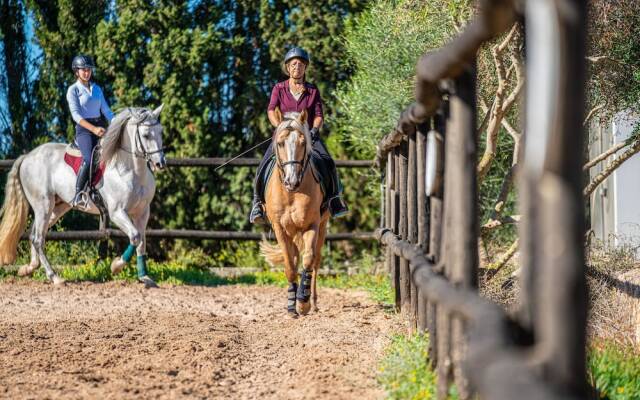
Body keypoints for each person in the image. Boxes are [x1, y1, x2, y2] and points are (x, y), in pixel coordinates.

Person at [249, 46, 349, 224]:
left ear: (305, 68)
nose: (297, 67)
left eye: (301, 64)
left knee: (327, 161)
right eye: (293, 64)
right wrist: (279, 126)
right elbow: (271, 110)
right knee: (264, 163)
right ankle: (257, 202)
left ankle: (334, 200)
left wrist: (314, 130)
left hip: (306, 136)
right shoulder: (279, 89)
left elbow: (318, 115)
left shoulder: (312, 91)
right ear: (288, 68)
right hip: (285, 137)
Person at [65, 54, 114, 207]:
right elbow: (76, 116)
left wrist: (117, 124)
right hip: (84, 130)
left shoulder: (97, 89)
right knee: (89, 158)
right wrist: (93, 129)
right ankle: (79, 194)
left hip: (100, 126)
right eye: (83, 70)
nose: (87, 72)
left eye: (89, 70)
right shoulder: (73, 90)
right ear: (76, 71)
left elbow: (107, 111)